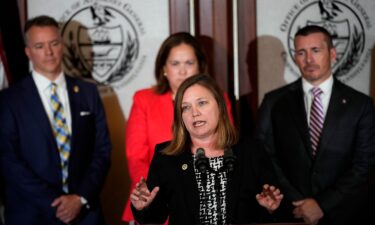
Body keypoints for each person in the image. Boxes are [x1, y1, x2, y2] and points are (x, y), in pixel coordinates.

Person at [256, 25, 375, 225]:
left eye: (316, 50)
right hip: (291, 213)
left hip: (345, 215)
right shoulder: (274, 102)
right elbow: (263, 154)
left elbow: (364, 164)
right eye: (301, 52)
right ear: (294, 57)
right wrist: (297, 202)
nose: (309, 59)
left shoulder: (360, 105)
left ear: (333, 53)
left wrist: (322, 204)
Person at [0, 15, 111, 225]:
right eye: (40, 46)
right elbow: (8, 159)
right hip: (32, 214)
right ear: (28, 52)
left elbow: (102, 151)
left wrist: (79, 198)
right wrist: (55, 203)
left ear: (62, 45)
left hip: (85, 214)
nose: (48, 52)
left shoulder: (88, 92)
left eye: (54, 43)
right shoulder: (8, 100)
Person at [129, 74, 283, 224]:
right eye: (186, 107)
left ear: (219, 105)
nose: (194, 113)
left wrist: (270, 209)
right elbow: (154, 218)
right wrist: (143, 207)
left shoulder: (251, 151)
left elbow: (271, 208)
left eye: (202, 103)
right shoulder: (167, 157)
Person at [122, 32, 233, 222]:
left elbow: (226, 146)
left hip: (206, 206)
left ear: (200, 67)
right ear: (164, 68)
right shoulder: (144, 100)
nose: (182, 71)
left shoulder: (218, 99)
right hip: (154, 201)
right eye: (175, 64)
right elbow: (136, 156)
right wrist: (151, 193)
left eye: (189, 63)